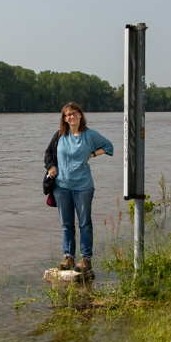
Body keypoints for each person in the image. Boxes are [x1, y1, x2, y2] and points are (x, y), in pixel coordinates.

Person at [43, 102, 113, 277]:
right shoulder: (59, 135)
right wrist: (51, 166)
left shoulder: (90, 135)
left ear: (80, 115)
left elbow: (109, 146)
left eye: (74, 114)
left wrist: (93, 154)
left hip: (83, 187)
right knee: (66, 224)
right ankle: (69, 257)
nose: (71, 117)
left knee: (84, 223)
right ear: (64, 119)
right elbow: (48, 154)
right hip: (61, 187)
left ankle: (86, 259)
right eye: (67, 115)